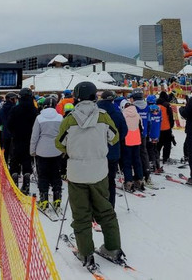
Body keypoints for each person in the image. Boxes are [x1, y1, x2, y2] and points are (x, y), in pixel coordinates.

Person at [55, 81, 124, 268]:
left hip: (76, 174)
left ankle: (86, 253)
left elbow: (59, 144)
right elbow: (115, 137)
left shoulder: (69, 119)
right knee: (106, 212)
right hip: (99, 172)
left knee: (81, 215)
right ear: (95, 96)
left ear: (76, 98)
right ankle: (112, 248)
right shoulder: (104, 117)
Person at [30, 96, 64, 211]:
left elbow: (35, 136)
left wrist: (32, 150)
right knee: (56, 174)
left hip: (42, 151)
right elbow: (64, 134)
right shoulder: (60, 118)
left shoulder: (39, 118)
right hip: (56, 150)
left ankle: (44, 198)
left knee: (43, 175)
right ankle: (57, 197)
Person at [97, 91, 127, 209]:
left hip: (97, 152)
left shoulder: (95, 113)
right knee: (110, 181)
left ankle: (98, 207)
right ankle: (110, 207)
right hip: (113, 152)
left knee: (98, 182)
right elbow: (124, 131)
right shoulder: (118, 113)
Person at [6, 87, 39, 195]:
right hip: (29, 140)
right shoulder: (34, 110)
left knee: (15, 161)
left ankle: (14, 180)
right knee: (27, 161)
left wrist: (13, 133)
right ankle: (26, 184)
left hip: (16, 139)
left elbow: (9, 124)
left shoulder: (15, 109)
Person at [120, 99, 144, 192]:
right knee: (137, 161)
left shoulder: (123, 115)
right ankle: (140, 179)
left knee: (127, 162)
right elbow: (141, 127)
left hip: (127, 141)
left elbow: (122, 128)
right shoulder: (137, 114)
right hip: (137, 140)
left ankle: (129, 182)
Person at [144, 95, 162, 174]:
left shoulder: (148, 109)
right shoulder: (159, 109)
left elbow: (148, 121)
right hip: (157, 132)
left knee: (149, 149)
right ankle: (157, 164)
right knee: (155, 148)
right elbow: (160, 120)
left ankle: (152, 165)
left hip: (150, 132)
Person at [156, 91, 176, 164]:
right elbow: (170, 116)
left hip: (157, 128)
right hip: (166, 127)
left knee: (158, 144)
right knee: (167, 144)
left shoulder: (155, 104)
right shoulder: (167, 105)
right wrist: (171, 125)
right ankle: (165, 158)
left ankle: (156, 157)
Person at [0, 92, 17, 165]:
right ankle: (13, 168)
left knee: (6, 150)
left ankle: (5, 166)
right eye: (15, 99)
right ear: (11, 99)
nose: (16, 100)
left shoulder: (1, 110)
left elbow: (0, 122)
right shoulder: (15, 109)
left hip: (5, 133)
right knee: (14, 152)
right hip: (15, 133)